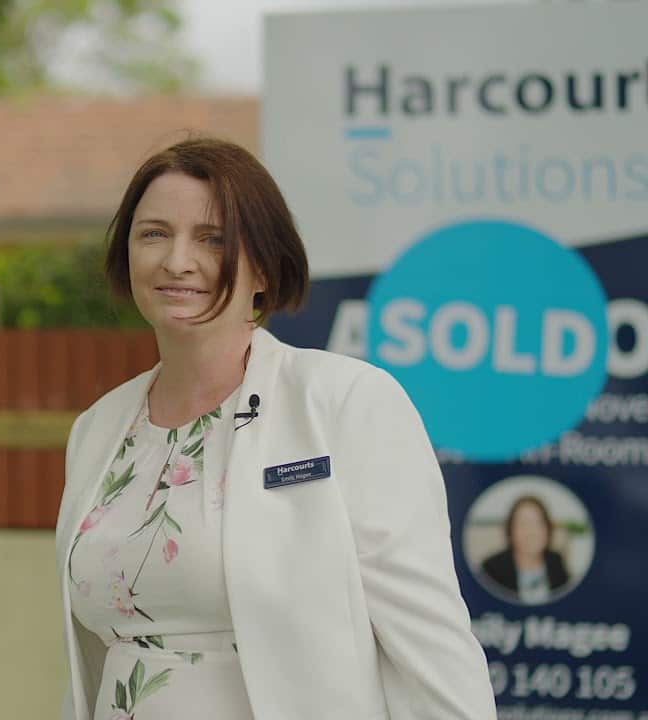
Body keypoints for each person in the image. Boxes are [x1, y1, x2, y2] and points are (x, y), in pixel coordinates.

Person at [55, 137, 495, 719]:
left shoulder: (345, 402)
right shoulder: (99, 427)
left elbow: (430, 646)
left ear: (263, 266)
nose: (176, 260)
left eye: (212, 239)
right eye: (153, 233)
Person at [480, 495, 571, 605]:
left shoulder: (556, 562)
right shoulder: (492, 568)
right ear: (511, 531)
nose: (531, 532)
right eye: (523, 524)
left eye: (537, 523)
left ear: (547, 529)